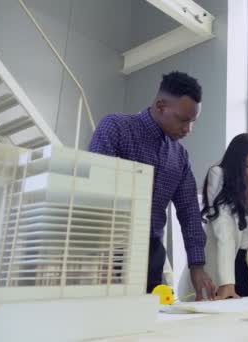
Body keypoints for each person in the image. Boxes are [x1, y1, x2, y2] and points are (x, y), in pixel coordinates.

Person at [89, 71, 216, 300]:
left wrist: (197, 267)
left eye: (193, 121)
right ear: (160, 106)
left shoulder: (180, 157)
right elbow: (95, 192)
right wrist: (101, 254)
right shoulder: (116, 128)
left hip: (150, 255)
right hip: (107, 249)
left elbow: (189, 212)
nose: (188, 129)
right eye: (183, 119)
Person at [177, 133, 248, 300]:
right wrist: (227, 283)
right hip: (216, 266)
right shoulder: (218, 176)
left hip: (244, 267)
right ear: (237, 165)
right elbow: (225, 233)